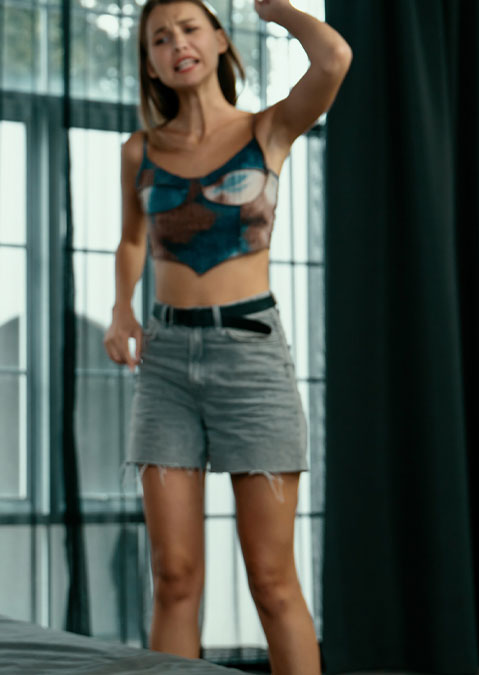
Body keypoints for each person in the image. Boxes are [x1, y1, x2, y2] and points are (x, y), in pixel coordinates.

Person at [103, 1, 350, 672]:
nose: (176, 43)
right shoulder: (141, 150)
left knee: (272, 582)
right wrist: (122, 307)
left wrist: (280, 11)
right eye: (159, 37)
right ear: (150, 61)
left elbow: (334, 59)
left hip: (252, 357)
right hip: (166, 365)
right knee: (174, 575)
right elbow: (132, 239)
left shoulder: (267, 129)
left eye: (188, 28)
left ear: (217, 38)